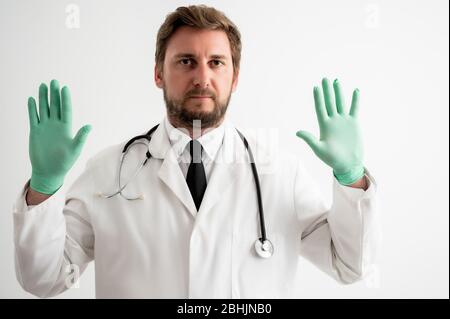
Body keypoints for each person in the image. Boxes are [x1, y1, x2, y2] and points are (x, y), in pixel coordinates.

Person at [13, 5, 379, 298]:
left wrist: (351, 178)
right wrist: (44, 187)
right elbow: (43, 280)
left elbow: (348, 265)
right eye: (186, 61)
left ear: (234, 77)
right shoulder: (109, 171)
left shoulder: (280, 173)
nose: (202, 77)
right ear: (158, 73)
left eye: (216, 62)